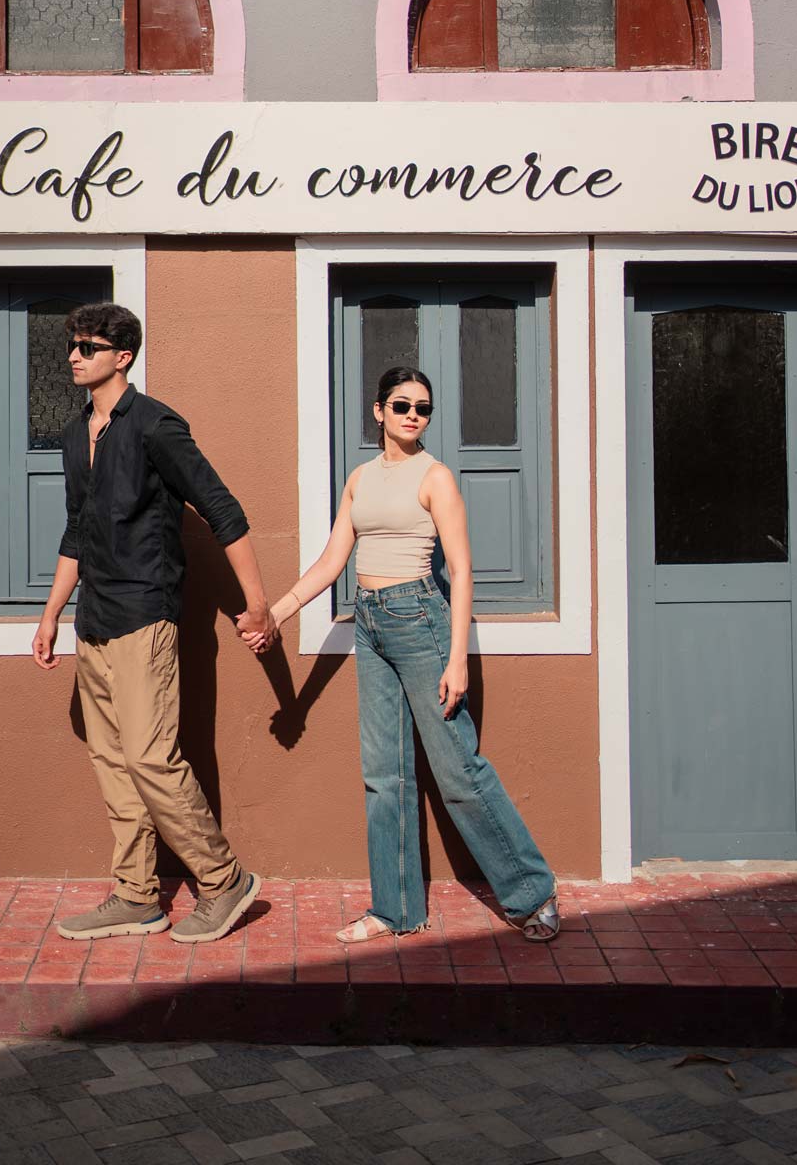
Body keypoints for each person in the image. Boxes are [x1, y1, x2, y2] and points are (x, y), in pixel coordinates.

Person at [239, 365, 559, 945]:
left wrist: (458, 659)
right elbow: (332, 560)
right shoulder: (360, 479)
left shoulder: (434, 477)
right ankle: (396, 909)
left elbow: (461, 570)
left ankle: (532, 894)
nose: (414, 415)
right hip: (370, 622)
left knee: (458, 770)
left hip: (420, 622)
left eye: (423, 408)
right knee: (384, 775)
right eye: (403, 405)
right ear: (379, 411)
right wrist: (276, 614)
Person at [32, 302, 275, 944]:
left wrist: (257, 605)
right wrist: (52, 614)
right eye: (72, 345)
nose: (75, 355)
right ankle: (137, 896)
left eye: (88, 346)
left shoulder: (155, 424)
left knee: (149, 758)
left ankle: (223, 880)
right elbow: (77, 531)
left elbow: (222, 508)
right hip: (93, 620)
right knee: (113, 765)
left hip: (145, 615)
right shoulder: (74, 433)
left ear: (123, 356)